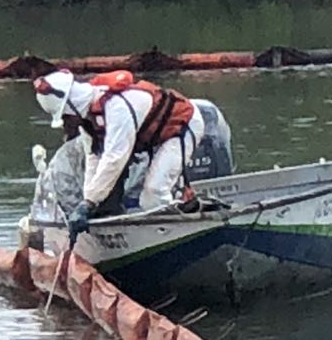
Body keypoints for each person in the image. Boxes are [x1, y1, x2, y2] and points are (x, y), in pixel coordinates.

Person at [33, 69, 206, 241]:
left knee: (153, 193)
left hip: (183, 126)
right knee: (113, 193)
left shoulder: (116, 109)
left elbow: (115, 159)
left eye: (64, 117)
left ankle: (178, 236)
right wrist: (87, 202)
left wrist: (89, 202)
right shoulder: (88, 123)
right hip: (155, 135)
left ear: (73, 105)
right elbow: (94, 159)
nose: (65, 123)